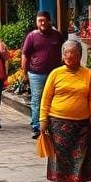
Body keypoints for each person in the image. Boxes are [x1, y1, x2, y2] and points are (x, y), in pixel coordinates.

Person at [39, 40, 91, 182]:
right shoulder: (55, 74)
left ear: (79, 55)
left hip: (82, 123)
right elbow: (46, 98)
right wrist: (43, 119)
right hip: (59, 122)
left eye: (72, 52)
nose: (68, 55)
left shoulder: (87, 73)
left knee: (82, 156)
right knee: (62, 157)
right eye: (65, 52)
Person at [21, 10, 65, 140]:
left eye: (43, 20)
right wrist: (24, 72)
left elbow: (64, 51)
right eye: (39, 21)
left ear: (49, 21)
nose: (41, 23)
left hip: (55, 73)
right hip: (36, 73)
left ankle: (52, 125)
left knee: (54, 99)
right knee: (37, 99)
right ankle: (36, 126)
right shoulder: (32, 36)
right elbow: (25, 54)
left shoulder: (57, 36)